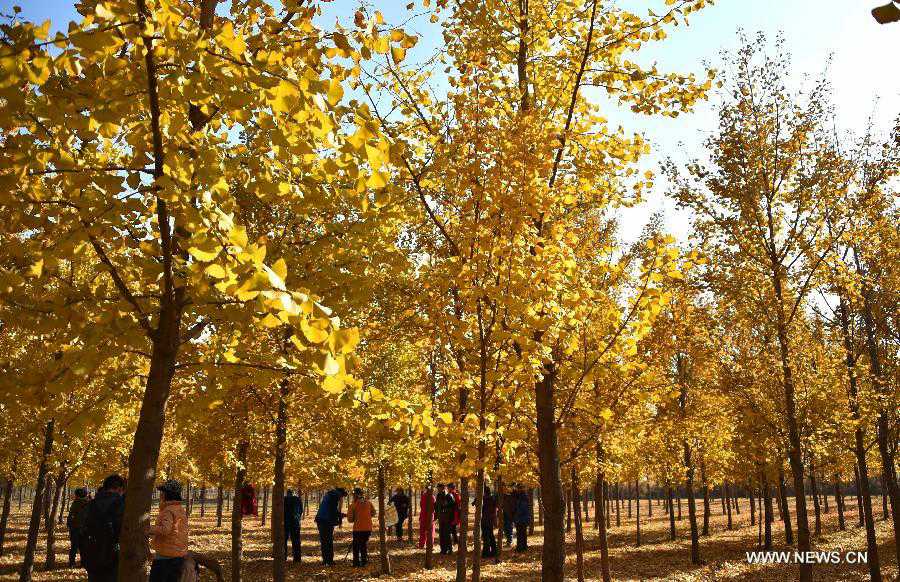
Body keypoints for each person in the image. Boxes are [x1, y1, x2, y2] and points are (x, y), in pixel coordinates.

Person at [79, 474, 125, 582]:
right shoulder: (121, 505)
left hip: (92, 554)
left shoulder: (90, 504)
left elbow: (81, 529)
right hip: (114, 556)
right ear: (120, 489)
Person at [147, 479, 189, 582]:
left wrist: (148, 529)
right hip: (179, 555)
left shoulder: (168, 510)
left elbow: (165, 530)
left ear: (168, 494)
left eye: (163, 492)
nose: (161, 494)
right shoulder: (180, 509)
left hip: (165, 556)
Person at [314, 487, 347, 566]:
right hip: (326, 521)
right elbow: (333, 511)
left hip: (320, 520)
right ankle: (329, 561)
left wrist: (339, 516)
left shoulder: (329, 495)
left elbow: (332, 510)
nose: (341, 499)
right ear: (341, 494)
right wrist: (341, 516)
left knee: (324, 541)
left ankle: (325, 560)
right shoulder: (335, 496)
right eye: (342, 497)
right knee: (328, 541)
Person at [347, 488, 376, 567]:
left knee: (356, 546)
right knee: (363, 544)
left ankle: (356, 563)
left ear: (354, 495)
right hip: (368, 528)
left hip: (358, 529)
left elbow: (350, 519)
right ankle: (364, 562)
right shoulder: (369, 503)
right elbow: (373, 513)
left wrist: (357, 517)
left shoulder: (353, 505)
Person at [66, 488, 91, 567]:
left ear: (77, 495)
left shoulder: (75, 503)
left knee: (74, 547)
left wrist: (69, 526)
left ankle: (71, 563)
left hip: (75, 528)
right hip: (85, 529)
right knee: (83, 547)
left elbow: (70, 516)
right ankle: (83, 563)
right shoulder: (89, 504)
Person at [476, 484, 498, 558]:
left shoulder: (484, 499)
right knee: (491, 536)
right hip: (490, 519)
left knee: (486, 537)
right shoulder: (492, 499)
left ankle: (486, 553)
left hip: (485, 520)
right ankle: (494, 551)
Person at [435, 483, 456, 555]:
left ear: (443, 488)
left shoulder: (449, 495)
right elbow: (437, 506)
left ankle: (449, 549)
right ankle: (443, 549)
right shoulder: (438, 495)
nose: (438, 489)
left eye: (439, 488)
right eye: (438, 488)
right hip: (441, 518)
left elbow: (453, 507)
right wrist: (436, 515)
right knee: (441, 534)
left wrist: (451, 518)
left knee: (447, 534)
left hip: (447, 518)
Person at [283, 489, 303, 562]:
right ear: (293, 493)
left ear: (287, 493)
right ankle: (297, 558)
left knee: (283, 540)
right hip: (295, 522)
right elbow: (301, 510)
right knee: (296, 540)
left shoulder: (283, 499)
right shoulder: (297, 499)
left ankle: (283, 557)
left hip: (285, 522)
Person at [513, 485, 532, 552]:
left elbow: (522, 509)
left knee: (521, 533)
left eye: (518, 489)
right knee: (521, 533)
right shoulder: (521, 497)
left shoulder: (523, 497)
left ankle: (521, 547)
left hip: (522, 518)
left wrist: (516, 514)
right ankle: (521, 547)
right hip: (521, 518)